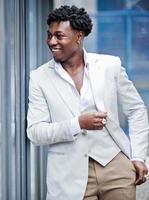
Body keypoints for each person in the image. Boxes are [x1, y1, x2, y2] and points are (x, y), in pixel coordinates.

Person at [27, 5, 149, 200]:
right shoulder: (39, 77)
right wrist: (78, 124)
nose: (51, 42)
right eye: (49, 35)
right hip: (69, 176)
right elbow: (35, 132)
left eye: (59, 36)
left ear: (79, 36)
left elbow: (136, 110)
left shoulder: (110, 66)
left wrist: (138, 157)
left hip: (115, 166)